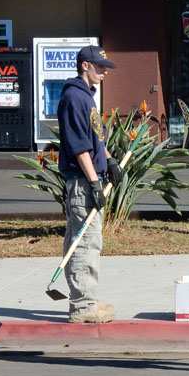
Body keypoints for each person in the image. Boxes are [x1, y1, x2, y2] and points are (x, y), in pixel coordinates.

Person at [57, 45, 122, 323]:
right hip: (83, 182)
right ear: (84, 65)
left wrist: (111, 160)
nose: (105, 71)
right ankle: (84, 307)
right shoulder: (74, 98)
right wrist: (94, 182)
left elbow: (96, 139)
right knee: (86, 241)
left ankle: (84, 300)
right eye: (99, 66)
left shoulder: (87, 97)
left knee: (82, 239)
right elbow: (79, 147)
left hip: (89, 177)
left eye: (106, 66)